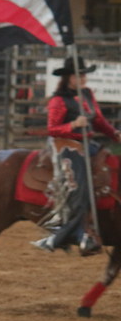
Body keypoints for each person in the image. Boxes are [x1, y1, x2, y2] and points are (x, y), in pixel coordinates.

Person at [32, 56, 121, 256]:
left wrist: (114, 133)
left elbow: (98, 120)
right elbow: (52, 129)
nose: (82, 79)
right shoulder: (58, 100)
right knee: (78, 184)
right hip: (66, 145)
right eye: (77, 75)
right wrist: (73, 124)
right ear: (68, 78)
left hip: (87, 143)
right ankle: (74, 233)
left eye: (83, 75)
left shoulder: (87, 94)